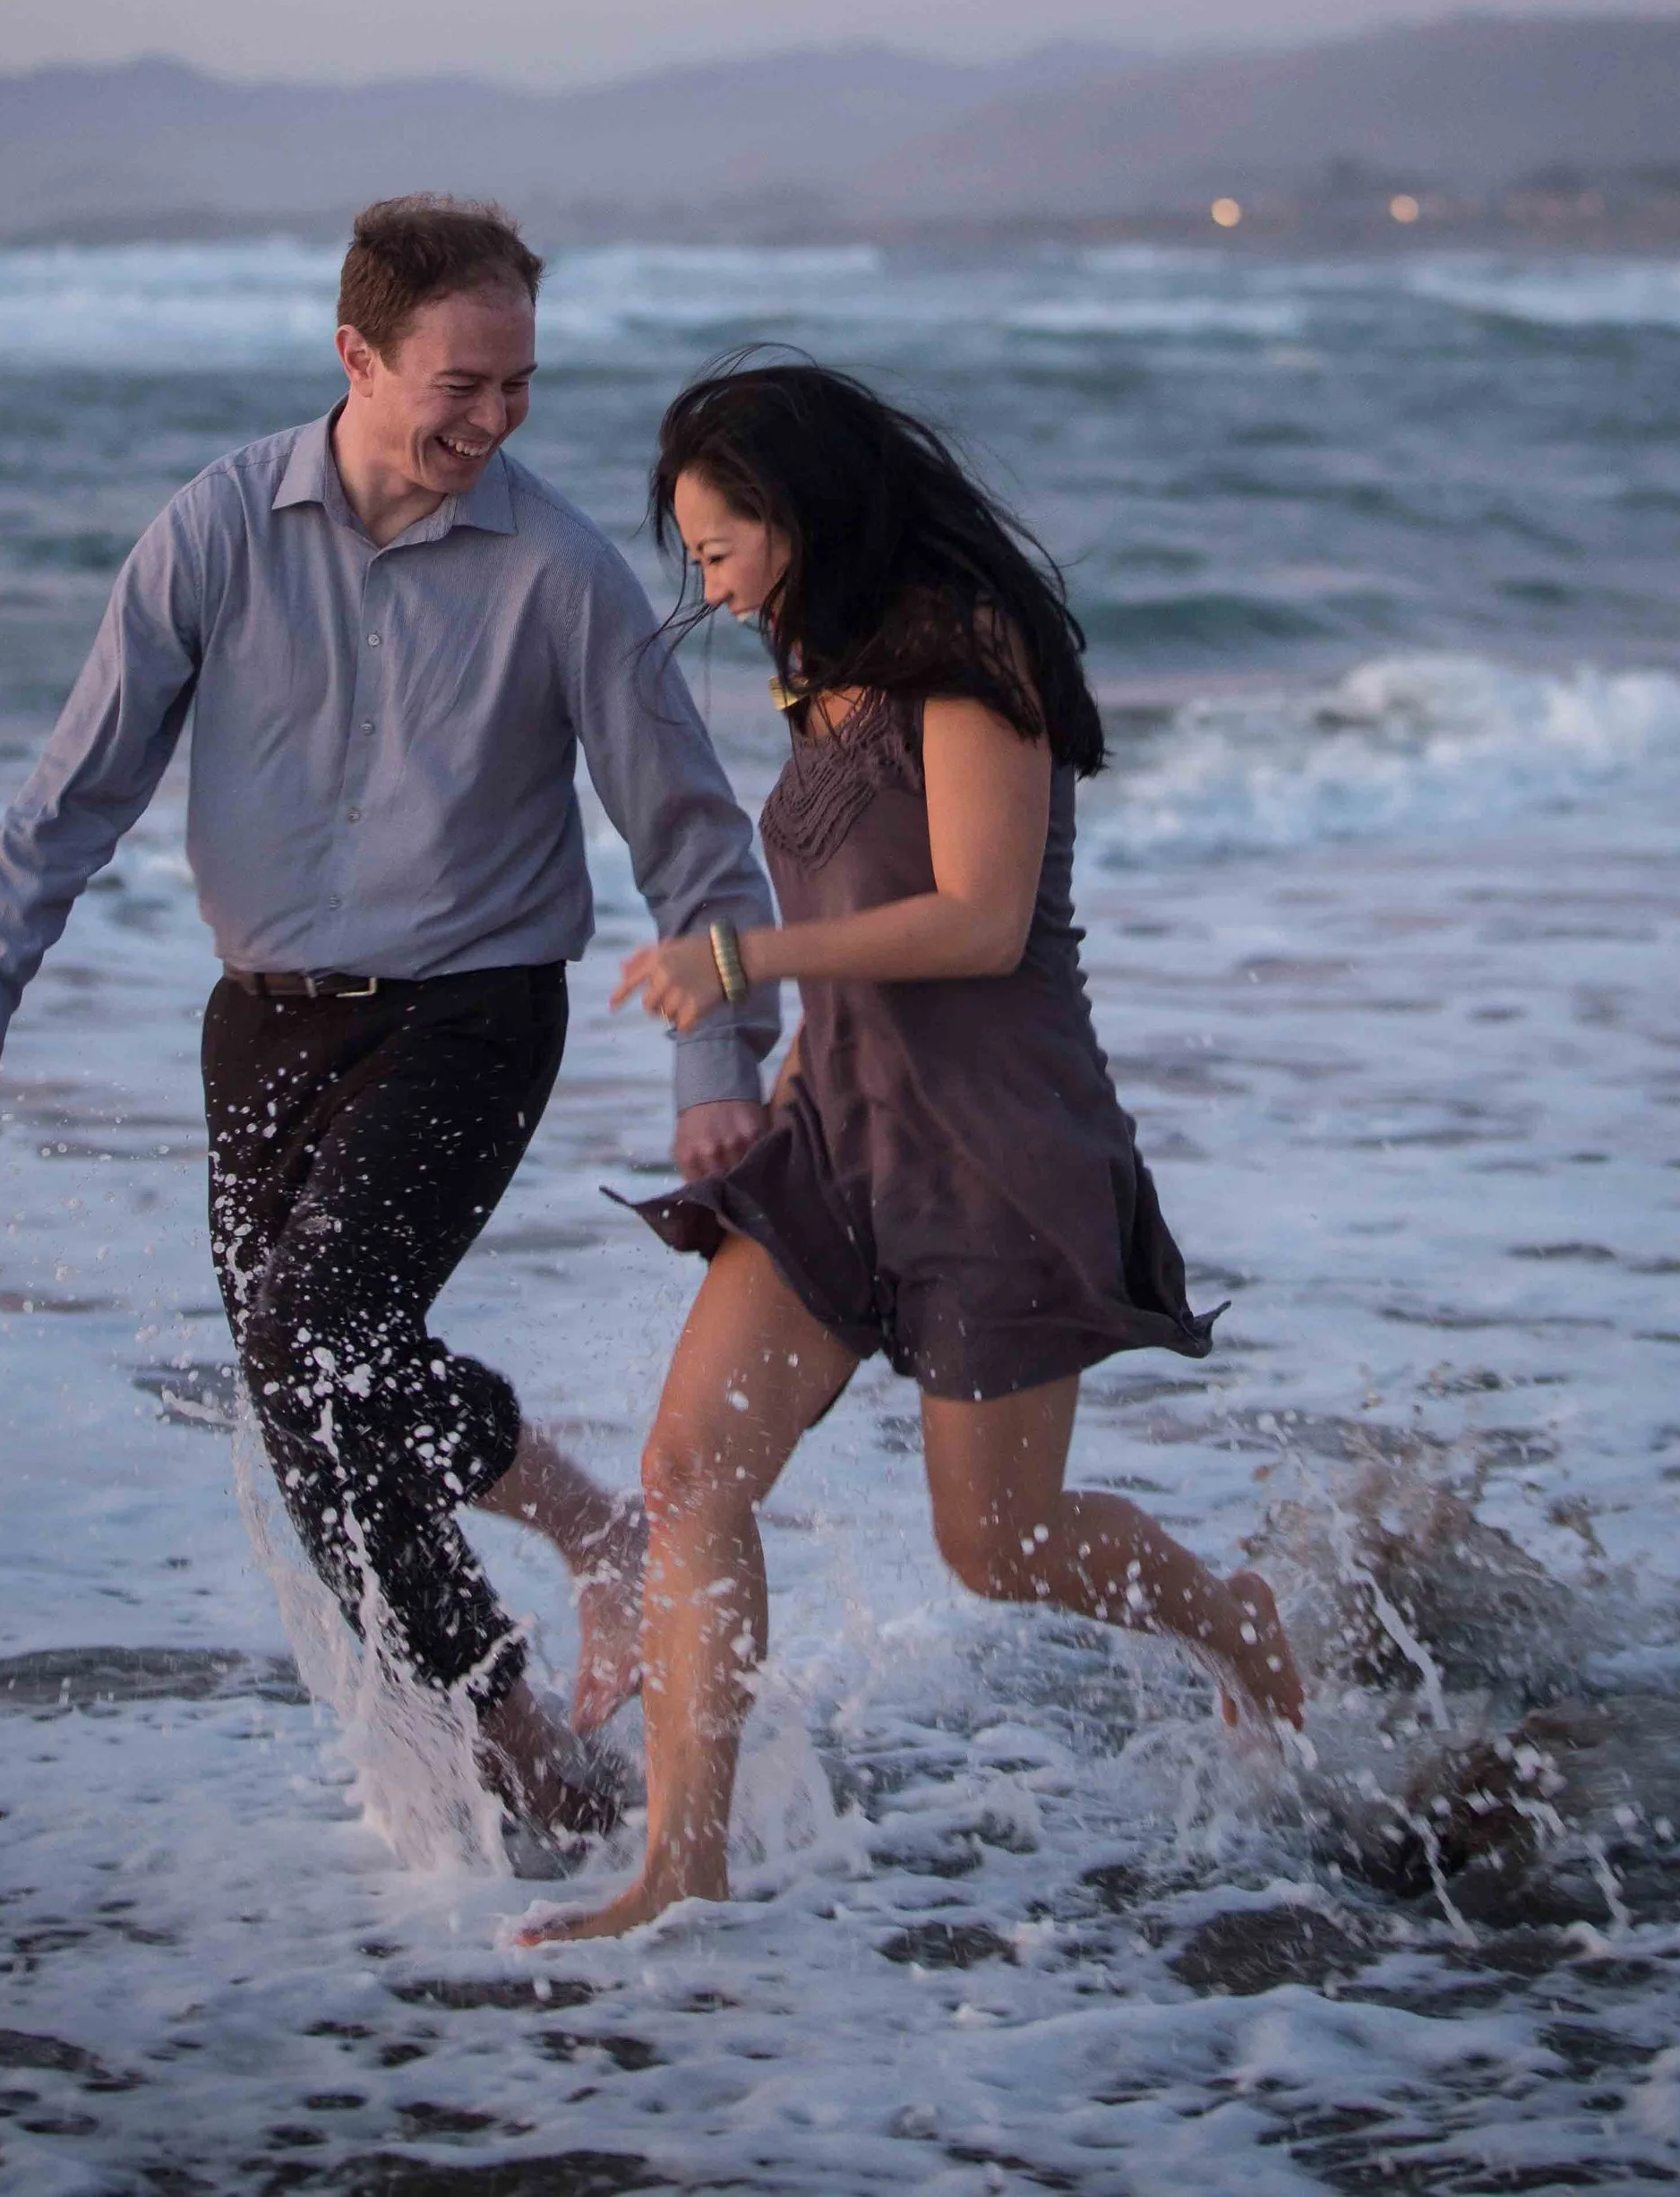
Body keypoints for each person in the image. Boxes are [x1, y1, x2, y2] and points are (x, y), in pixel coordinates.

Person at [0, 197, 779, 1836]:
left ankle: (589, 1533)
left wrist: (715, 1064)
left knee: (320, 1341)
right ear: (357, 357)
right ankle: (529, 1754)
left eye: (520, 386)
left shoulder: (561, 571)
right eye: (462, 383)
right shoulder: (216, 528)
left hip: (475, 1012)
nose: (494, 419)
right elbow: (77, 783)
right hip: (265, 1024)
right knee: (315, 1418)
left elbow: (692, 835)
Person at [524, 361, 1301, 1941]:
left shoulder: (970, 651)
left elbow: (975, 918)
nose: (709, 583)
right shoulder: (825, 675)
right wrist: (786, 1068)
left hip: (998, 1147)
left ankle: (1244, 1620)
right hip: (841, 1132)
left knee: (996, 1545)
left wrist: (740, 968)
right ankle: (685, 1863)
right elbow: (843, 911)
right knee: (686, 1475)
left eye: (721, 546)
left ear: (798, 517)